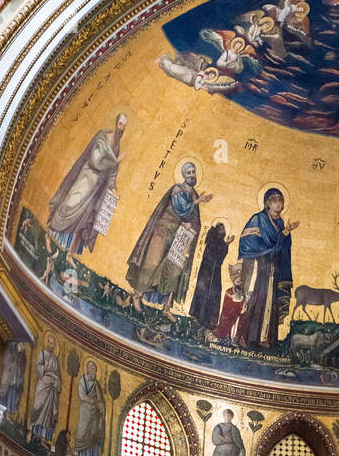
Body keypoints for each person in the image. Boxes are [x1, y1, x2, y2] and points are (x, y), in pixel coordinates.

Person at [126, 160, 212, 315]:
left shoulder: (194, 194)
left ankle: (162, 305)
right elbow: (182, 209)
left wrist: (190, 227)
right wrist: (197, 202)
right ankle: (136, 295)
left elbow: (194, 219)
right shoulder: (177, 189)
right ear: (183, 175)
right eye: (188, 173)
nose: (192, 175)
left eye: (193, 172)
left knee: (170, 269)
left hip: (177, 235)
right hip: (163, 230)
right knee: (152, 262)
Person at [48, 113, 126, 255]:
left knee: (84, 216)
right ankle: (51, 233)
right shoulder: (102, 138)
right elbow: (95, 161)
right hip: (87, 178)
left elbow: (112, 170)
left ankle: (67, 249)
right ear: (116, 123)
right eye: (120, 124)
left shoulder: (117, 145)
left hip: (96, 188)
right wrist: (116, 160)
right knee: (71, 204)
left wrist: (112, 185)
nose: (122, 128)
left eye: (124, 126)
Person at [235, 188, 298, 348]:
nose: (279, 204)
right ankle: (247, 335)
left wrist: (286, 233)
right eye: (275, 201)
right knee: (258, 299)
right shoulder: (259, 219)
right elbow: (249, 243)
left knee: (271, 301)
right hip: (261, 267)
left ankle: (266, 337)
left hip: (274, 268)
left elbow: (282, 247)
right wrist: (282, 236)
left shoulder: (280, 223)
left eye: (281, 201)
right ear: (268, 203)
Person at [190, 222, 233, 331]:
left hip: (216, 272)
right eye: (221, 228)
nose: (222, 230)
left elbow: (221, 258)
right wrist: (226, 244)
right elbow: (214, 250)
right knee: (202, 291)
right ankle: (197, 315)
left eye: (224, 229)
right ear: (216, 229)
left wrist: (226, 244)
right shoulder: (211, 239)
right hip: (207, 270)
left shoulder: (222, 243)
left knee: (214, 293)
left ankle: (209, 320)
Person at [30, 334, 62, 446]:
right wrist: (44, 367)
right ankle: (32, 431)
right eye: (50, 342)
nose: (51, 345)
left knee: (48, 414)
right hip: (43, 383)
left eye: (53, 344)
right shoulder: (42, 354)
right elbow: (38, 367)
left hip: (52, 387)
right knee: (38, 406)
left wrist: (56, 382)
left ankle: (43, 438)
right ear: (46, 343)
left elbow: (57, 375)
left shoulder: (55, 359)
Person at [73, 360, 105, 456]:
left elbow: (101, 400)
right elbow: (81, 395)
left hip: (94, 414)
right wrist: (91, 400)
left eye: (95, 370)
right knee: (81, 433)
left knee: (93, 436)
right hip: (85, 411)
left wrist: (101, 406)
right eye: (91, 369)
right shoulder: (83, 380)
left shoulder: (97, 384)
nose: (93, 371)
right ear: (87, 369)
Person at [0, 340, 27, 417]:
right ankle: (2, 411)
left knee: (13, 392)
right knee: (6, 390)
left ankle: (8, 413)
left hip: (16, 375)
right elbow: (8, 356)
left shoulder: (21, 346)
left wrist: (21, 352)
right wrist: (16, 351)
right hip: (10, 373)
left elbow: (23, 362)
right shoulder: (11, 344)